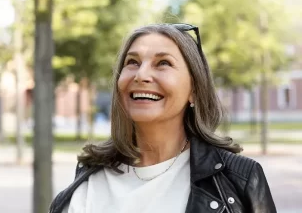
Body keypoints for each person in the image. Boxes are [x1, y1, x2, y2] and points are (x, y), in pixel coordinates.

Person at [49, 23, 276, 213]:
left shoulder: (239, 179)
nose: (141, 75)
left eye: (163, 63)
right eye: (132, 62)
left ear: (194, 90)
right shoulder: (89, 176)